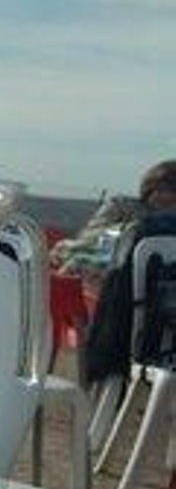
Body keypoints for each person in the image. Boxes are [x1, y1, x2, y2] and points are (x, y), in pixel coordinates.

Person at [83, 160, 176, 387]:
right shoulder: (125, 210)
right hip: (122, 305)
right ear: (149, 190)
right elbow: (88, 240)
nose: (169, 198)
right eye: (165, 190)